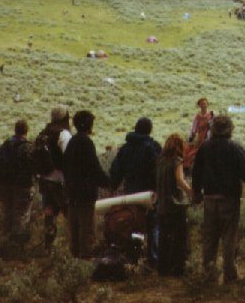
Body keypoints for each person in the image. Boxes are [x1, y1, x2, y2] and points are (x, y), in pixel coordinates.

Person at [192, 114, 245, 283]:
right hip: (229, 198)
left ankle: (208, 272)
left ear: (212, 129)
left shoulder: (205, 147)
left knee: (210, 236)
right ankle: (230, 274)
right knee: (229, 237)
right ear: (230, 129)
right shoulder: (234, 148)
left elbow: (196, 172)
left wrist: (196, 193)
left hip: (209, 198)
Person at [109, 117, 161, 266]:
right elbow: (157, 170)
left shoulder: (125, 148)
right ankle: (153, 258)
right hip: (149, 193)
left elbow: (116, 171)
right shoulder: (153, 147)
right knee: (152, 224)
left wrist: (113, 186)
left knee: (133, 224)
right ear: (149, 130)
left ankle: (133, 256)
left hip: (131, 192)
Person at [62, 110, 111, 258]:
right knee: (86, 229)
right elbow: (94, 168)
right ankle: (85, 260)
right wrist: (108, 183)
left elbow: (65, 166)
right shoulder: (86, 142)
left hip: (72, 192)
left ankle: (75, 259)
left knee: (75, 228)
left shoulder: (72, 141)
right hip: (85, 193)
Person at [155, 134, 192, 277]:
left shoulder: (160, 161)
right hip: (175, 205)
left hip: (162, 205)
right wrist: (190, 192)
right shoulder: (177, 161)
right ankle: (178, 269)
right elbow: (180, 180)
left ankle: (163, 269)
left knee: (164, 238)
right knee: (179, 239)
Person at [35, 107, 72, 251]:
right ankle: (74, 245)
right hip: (59, 180)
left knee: (49, 212)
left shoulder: (44, 133)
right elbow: (69, 156)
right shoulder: (63, 134)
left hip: (44, 180)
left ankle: (48, 246)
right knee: (69, 211)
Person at [0, 120, 35, 236]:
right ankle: (17, 244)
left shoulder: (5, 145)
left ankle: (6, 241)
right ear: (26, 130)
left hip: (5, 184)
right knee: (21, 215)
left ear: (15, 130)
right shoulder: (28, 147)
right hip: (22, 186)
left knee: (7, 213)